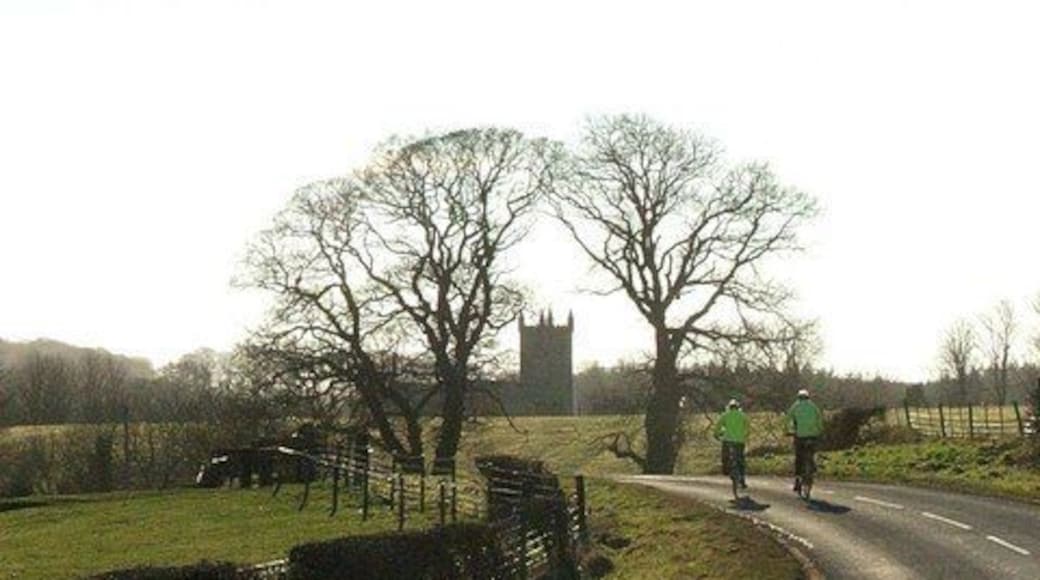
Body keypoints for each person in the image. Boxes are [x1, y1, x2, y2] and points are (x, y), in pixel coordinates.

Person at [786, 388, 823, 492]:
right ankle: (812, 467)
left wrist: (786, 430)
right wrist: (819, 430)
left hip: (800, 436)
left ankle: (797, 480)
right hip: (812, 436)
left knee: (799, 457)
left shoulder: (796, 405)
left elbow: (787, 418)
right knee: (811, 452)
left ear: (799, 397)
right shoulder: (814, 406)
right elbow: (819, 419)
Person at [714, 398, 750, 489]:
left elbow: (718, 426)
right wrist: (745, 436)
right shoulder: (743, 415)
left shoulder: (725, 415)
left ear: (729, 407)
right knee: (740, 459)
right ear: (738, 407)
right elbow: (747, 428)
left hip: (728, 440)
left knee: (725, 456)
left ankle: (726, 470)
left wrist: (716, 435)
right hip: (740, 441)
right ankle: (742, 478)